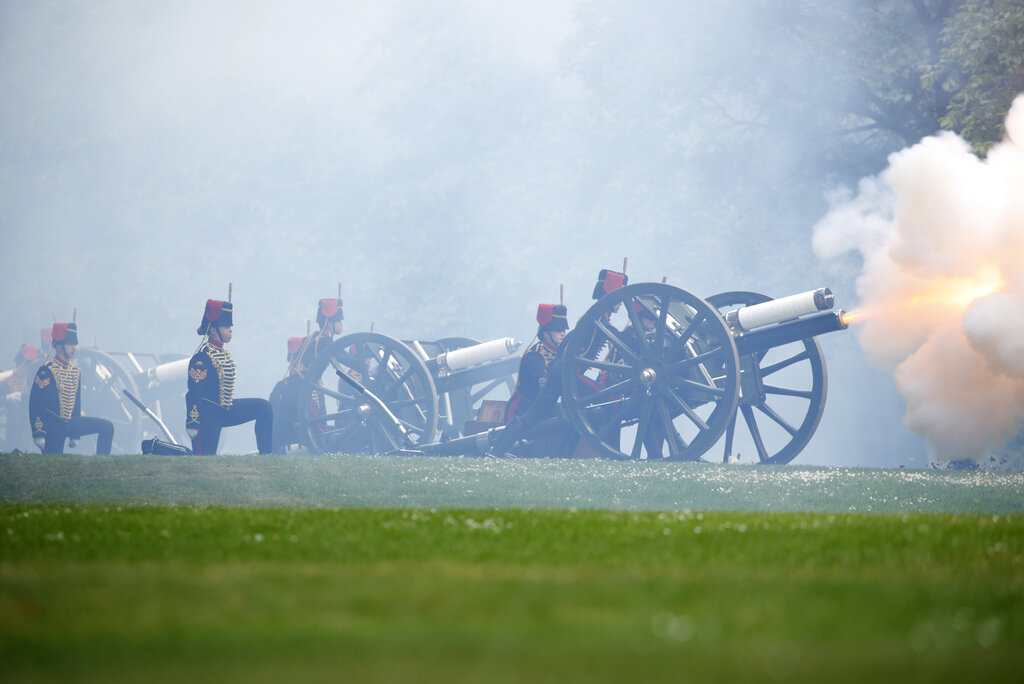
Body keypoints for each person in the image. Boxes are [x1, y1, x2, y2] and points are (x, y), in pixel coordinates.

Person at [185, 299, 273, 455]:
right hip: (207, 416)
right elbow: (194, 393)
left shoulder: (223, 353)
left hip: (224, 409)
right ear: (213, 331)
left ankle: (266, 455)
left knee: (264, 407)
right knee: (205, 460)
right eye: (226, 327)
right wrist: (193, 421)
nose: (230, 330)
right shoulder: (201, 358)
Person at [269, 298, 343, 451]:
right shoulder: (323, 341)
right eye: (339, 320)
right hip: (300, 399)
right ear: (330, 323)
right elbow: (342, 357)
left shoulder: (315, 338)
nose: (342, 324)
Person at [29, 322, 115, 454]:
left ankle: (102, 464)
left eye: (74, 344)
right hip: (53, 425)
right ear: (58, 346)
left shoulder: (76, 371)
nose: (73, 348)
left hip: (71, 423)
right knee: (54, 464)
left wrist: (75, 436)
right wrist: (38, 433)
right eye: (70, 344)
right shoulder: (46, 371)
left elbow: (76, 404)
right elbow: (36, 404)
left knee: (107, 427)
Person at [504, 303, 568, 423]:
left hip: (543, 410)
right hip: (521, 411)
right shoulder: (534, 356)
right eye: (558, 330)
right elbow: (544, 385)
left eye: (564, 329)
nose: (563, 333)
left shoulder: (560, 353)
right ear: (546, 332)